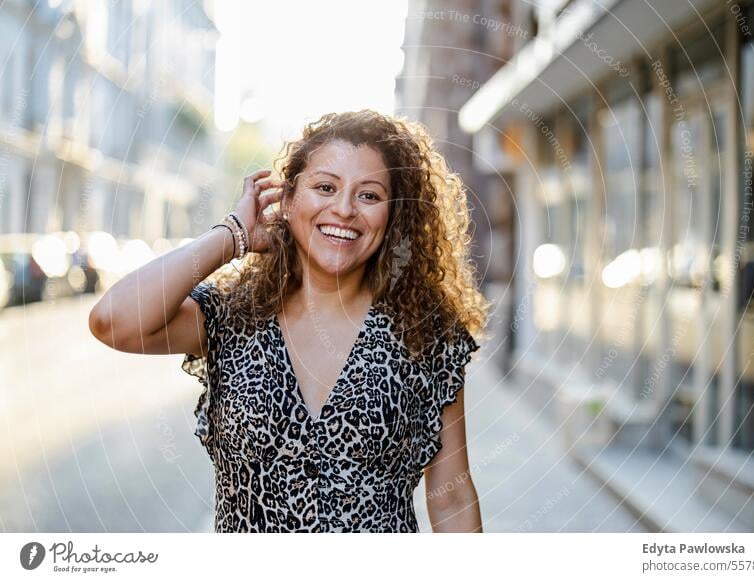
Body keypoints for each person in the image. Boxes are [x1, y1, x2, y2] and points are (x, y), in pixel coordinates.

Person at [88, 109, 490, 533]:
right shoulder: (231, 316)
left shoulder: (425, 331)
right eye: (324, 188)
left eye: (369, 195)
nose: (345, 209)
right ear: (289, 198)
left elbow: (452, 500)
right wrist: (233, 236)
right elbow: (112, 321)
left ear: (393, 215)